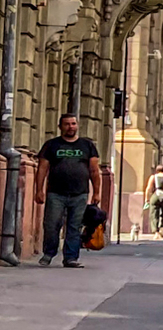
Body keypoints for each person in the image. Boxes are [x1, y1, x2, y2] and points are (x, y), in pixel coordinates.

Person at [35, 113, 100, 268]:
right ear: (60, 127)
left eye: (73, 124)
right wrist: (39, 190)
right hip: (55, 193)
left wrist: (96, 192)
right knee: (51, 224)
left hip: (80, 193)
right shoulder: (51, 145)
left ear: (77, 125)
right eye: (67, 124)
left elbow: (94, 170)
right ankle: (49, 253)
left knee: (74, 226)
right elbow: (42, 168)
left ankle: (70, 258)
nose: (71, 127)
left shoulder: (87, 146)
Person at [147, 169, 163, 236]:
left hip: (155, 195)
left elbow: (148, 188)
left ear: (157, 170)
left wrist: (146, 198)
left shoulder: (153, 177)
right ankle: (162, 229)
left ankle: (155, 231)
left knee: (154, 213)